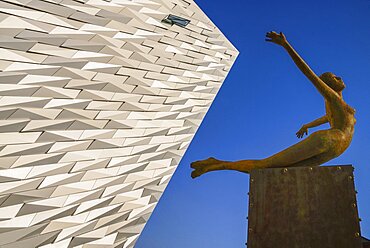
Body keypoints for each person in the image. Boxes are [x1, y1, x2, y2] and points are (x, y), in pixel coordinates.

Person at [190, 31, 356, 179]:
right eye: (335, 77)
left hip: (335, 149)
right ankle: (219, 165)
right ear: (327, 84)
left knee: (278, 172)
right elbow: (308, 73)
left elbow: (327, 118)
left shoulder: (337, 104)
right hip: (329, 140)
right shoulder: (332, 98)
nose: (340, 78)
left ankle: (216, 162)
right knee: (266, 165)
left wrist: (307, 125)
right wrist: (286, 45)